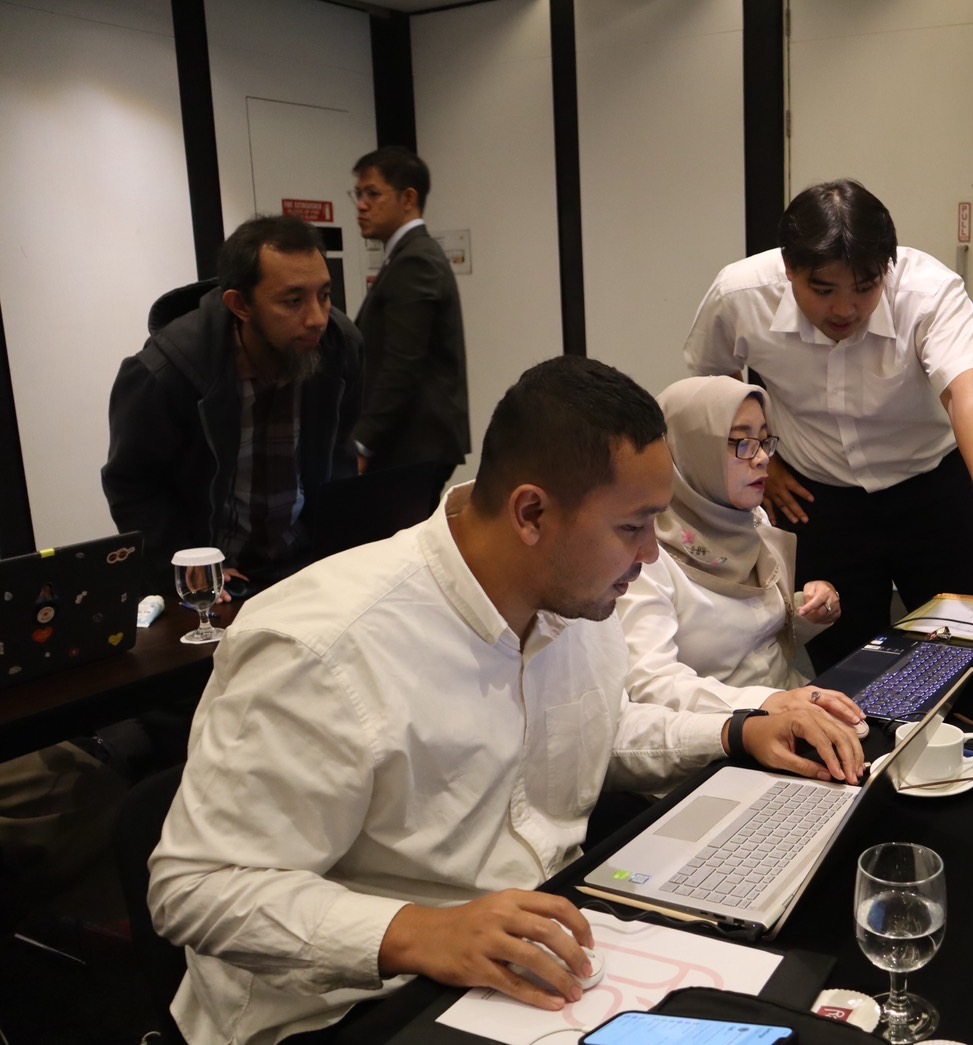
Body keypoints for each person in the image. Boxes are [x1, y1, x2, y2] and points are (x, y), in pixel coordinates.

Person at [146, 356, 865, 1045]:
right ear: (531, 513)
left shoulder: (573, 592)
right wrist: (417, 930)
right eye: (633, 526)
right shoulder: (324, 644)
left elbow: (595, 728)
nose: (651, 554)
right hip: (350, 1005)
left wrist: (734, 731)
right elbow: (196, 886)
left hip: (538, 953)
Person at [683, 179, 973, 670]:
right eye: (822, 289)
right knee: (846, 665)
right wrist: (762, 459)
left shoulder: (928, 292)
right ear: (789, 267)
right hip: (817, 499)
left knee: (961, 657)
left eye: (864, 287)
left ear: (886, 269)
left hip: (931, 490)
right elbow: (711, 383)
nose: (844, 308)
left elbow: (968, 389)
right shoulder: (740, 294)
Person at [102, 214, 363, 594]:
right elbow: (132, 484)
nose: (317, 319)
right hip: (218, 578)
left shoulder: (341, 348)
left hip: (304, 565)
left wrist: (340, 550)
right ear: (240, 304)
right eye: (293, 301)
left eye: (323, 295)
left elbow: (338, 457)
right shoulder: (166, 371)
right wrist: (187, 562)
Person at [617, 375, 866, 730]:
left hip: (793, 709)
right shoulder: (644, 555)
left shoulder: (748, 517)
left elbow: (752, 632)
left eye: (764, 441)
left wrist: (809, 609)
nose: (762, 458)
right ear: (691, 449)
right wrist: (767, 703)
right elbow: (651, 684)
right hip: (723, 733)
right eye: (742, 443)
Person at [350, 146, 470, 483]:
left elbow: (402, 364)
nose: (361, 205)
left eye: (373, 193)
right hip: (412, 443)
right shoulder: (407, 255)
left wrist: (362, 442)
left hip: (412, 445)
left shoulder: (415, 260)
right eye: (358, 194)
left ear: (408, 198)